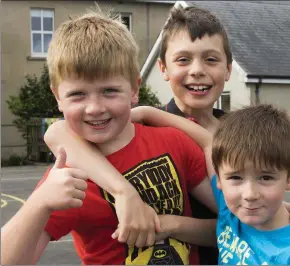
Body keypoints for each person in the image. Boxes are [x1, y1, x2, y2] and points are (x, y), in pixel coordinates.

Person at [43, 5, 290, 265]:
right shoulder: (145, 129)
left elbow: (250, 197)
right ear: (163, 68)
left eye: (211, 59)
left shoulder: (242, 132)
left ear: (229, 69)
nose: (197, 71)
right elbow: (58, 132)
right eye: (183, 59)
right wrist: (124, 191)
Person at [1, 10, 219, 265]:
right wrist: (38, 203)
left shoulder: (174, 142)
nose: (94, 107)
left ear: (135, 89)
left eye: (109, 91)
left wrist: (172, 225)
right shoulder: (68, 177)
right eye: (77, 95)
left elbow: (236, 222)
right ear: (57, 97)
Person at [128, 105, 290, 265]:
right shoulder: (229, 210)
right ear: (219, 177)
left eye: (266, 178)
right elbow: (207, 142)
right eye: (236, 178)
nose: (249, 194)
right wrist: (148, 112)